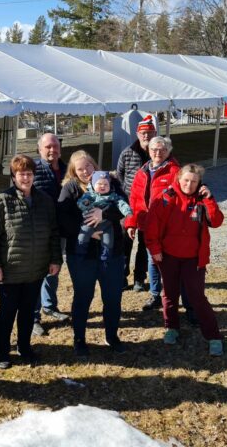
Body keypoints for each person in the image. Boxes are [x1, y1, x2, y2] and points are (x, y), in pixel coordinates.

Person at [0, 154, 62, 369]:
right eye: (21, 174)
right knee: (7, 312)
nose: (25, 178)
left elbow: (54, 233)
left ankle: (25, 348)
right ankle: (2, 353)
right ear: (13, 176)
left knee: (27, 312)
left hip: (35, 269)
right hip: (10, 271)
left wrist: (55, 259)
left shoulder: (44, 201)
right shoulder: (1, 201)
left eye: (29, 174)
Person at [144, 164, 225, 356]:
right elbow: (152, 225)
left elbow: (216, 221)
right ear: (179, 179)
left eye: (194, 181)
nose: (189, 185)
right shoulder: (166, 197)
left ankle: (213, 336)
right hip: (168, 256)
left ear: (200, 183)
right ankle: (171, 327)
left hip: (193, 258)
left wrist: (210, 199)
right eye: (186, 180)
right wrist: (155, 249)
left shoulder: (202, 200)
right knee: (170, 294)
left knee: (197, 296)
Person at [58, 150, 127, 358]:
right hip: (82, 256)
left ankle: (112, 336)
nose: (85, 171)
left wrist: (103, 213)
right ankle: (79, 339)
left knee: (113, 297)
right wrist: (87, 231)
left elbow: (124, 205)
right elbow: (61, 219)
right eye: (80, 169)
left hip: (111, 253)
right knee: (83, 297)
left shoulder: (109, 181)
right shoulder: (70, 188)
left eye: (88, 166)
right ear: (73, 171)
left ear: (94, 165)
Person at [123, 136, 180, 312]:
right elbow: (134, 199)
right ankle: (155, 295)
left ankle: (170, 295)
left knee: (169, 261)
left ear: (168, 152)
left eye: (162, 150)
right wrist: (131, 223)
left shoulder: (175, 171)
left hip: (166, 226)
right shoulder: (142, 171)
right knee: (152, 259)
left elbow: (181, 199)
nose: (157, 153)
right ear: (148, 151)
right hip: (146, 224)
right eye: (154, 149)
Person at [32, 133, 69, 336]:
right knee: (36, 272)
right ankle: (33, 317)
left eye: (55, 146)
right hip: (39, 231)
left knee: (54, 269)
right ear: (39, 149)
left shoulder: (67, 170)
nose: (52, 150)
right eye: (47, 147)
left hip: (60, 229)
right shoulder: (33, 170)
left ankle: (50, 306)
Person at [115, 114, 157, 292]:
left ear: (154, 133)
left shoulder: (159, 152)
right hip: (130, 207)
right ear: (137, 134)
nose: (146, 136)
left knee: (145, 244)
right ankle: (121, 276)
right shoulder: (127, 153)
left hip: (151, 208)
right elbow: (119, 177)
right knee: (125, 242)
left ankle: (140, 277)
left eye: (149, 132)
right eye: (143, 133)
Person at [76, 171, 132, 257]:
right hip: (89, 222)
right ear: (93, 185)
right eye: (99, 184)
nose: (103, 186)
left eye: (106, 184)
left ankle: (105, 257)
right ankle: (80, 252)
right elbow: (80, 203)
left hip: (106, 224)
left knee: (108, 241)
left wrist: (127, 211)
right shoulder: (89, 195)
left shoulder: (113, 196)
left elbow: (121, 203)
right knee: (83, 236)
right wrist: (86, 204)